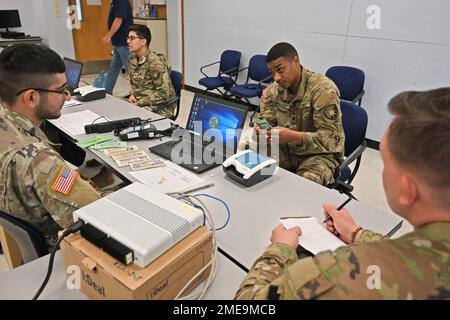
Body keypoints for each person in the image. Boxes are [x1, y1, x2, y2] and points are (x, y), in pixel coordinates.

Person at [235, 88, 450, 300]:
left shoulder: (345, 274)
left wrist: (279, 249)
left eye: (386, 163)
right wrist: (357, 233)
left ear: (407, 190)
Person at [0, 44, 101, 248]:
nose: (68, 96)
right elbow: (99, 217)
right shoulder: (40, 162)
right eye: (61, 90)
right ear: (31, 97)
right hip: (61, 249)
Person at [255, 42, 345, 186]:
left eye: (280, 69)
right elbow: (266, 122)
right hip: (285, 151)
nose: (276, 78)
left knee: (300, 188)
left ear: (296, 61)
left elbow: (334, 141)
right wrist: (261, 130)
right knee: (249, 166)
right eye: (272, 73)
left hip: (317, 156)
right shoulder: (271, 92)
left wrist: (294, 137)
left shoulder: (322, 90)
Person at [126, 24, 177, 118]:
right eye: (128, 38)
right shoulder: (132, 59)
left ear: (143, 41)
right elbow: (134, 84)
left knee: (131, 120)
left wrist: (140, 103)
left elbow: (163, 93)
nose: (128, 41)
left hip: (161, 107)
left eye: (132, 38)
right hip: (141, 102)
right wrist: (132, 95)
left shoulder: (155, 63)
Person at [103, 0, 133, 95]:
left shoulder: (120, 1)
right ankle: (107, 92)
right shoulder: (115, 1)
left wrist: (109, 35)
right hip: (118, 42)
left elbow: (118, 19)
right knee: (114, 68)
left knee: (131, 70)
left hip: (123, 42)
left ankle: (139, 95)